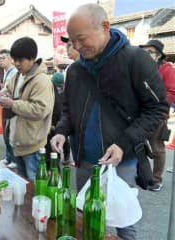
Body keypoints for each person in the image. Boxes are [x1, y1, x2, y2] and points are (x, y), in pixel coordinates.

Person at [50, 4, 169, 240]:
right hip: (84, 159)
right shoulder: (74, 71)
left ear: (105, 27)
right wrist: (62, 131)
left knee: (124, 223)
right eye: (72, 41)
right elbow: (68, 110)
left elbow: (158, 108)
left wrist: (124, 143)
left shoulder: (136, 60)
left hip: (122, 160)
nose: (76, 47)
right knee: (85, 217)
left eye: (81, 39)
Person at [0, 37, 54, 181]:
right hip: (18, 141)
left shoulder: (41, 80)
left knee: (35, 187)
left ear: (32, 59)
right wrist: (4, 92)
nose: (17, 64)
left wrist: (12, 104)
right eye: (15, 59)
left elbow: (40, 110)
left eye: (20, 60)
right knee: (23, 184)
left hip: (32, 144)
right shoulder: (18, 75)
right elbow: (9, 88)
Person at [140, 39, 175, 191]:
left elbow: (172, 91)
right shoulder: (142, 68)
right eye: (145, 51)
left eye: (150, 52)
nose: (147, 55)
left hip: (156, 115)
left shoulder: (167, 69)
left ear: (159, 55)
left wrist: (158, 105)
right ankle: (144, 174)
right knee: (138, 145)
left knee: (157, 147)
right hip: (141, 113)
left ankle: (156, 178)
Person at [0, 49, 18, 168]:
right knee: (6, 133)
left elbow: (12, 90)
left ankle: (13, 159)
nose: (1, 61)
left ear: (11, 59)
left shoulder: (14, 72)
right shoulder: (6, 72)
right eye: (0, 58)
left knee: (10, 133)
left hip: (11, 106)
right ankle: (8, 157)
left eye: (3, 58)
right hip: (5, 105)